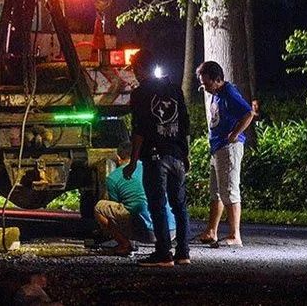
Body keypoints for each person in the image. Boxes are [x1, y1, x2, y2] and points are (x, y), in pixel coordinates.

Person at [125, 49, 191, 267]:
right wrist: (186, 154)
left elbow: (139, 130)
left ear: (141, 68)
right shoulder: (175, 90)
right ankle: (183, 253)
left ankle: (164, 254)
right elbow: (184, 125)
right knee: (179, 206)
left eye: (135, 69)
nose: (134, 73)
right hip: (177, 154)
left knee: (158, 204)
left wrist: (133, 161)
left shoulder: (140, 93)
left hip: (155, 156)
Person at [195, 61, 253, 247]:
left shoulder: (228, 92)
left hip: (228, 148)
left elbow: (248, 113)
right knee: (216, 192)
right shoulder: (217, 94)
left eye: (207, 83)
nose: (204, 87)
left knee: (229, 190)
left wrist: (235, 134)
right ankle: (212, 230)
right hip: (217, 148)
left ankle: (235, 235)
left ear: (217, 79)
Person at [95, 142, 175, 255]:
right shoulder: (152, 168)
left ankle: (124, 244)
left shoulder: (113, 177)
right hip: (171, 230)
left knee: (99, 207)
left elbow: (117, 204)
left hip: (145, 232)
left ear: (118, 158)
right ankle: (164, 245)